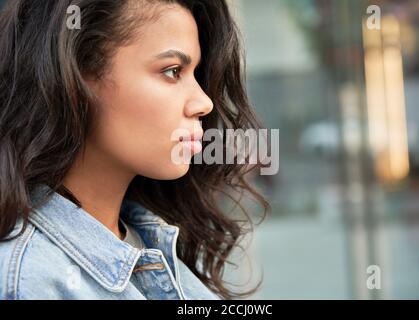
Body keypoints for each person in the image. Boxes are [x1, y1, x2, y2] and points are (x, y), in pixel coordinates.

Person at [0, 0, 269, 300]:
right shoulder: (30, 281)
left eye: (196, 73)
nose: (203, 102)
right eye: (172, 71)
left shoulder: (154, 245)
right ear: (76, 75)